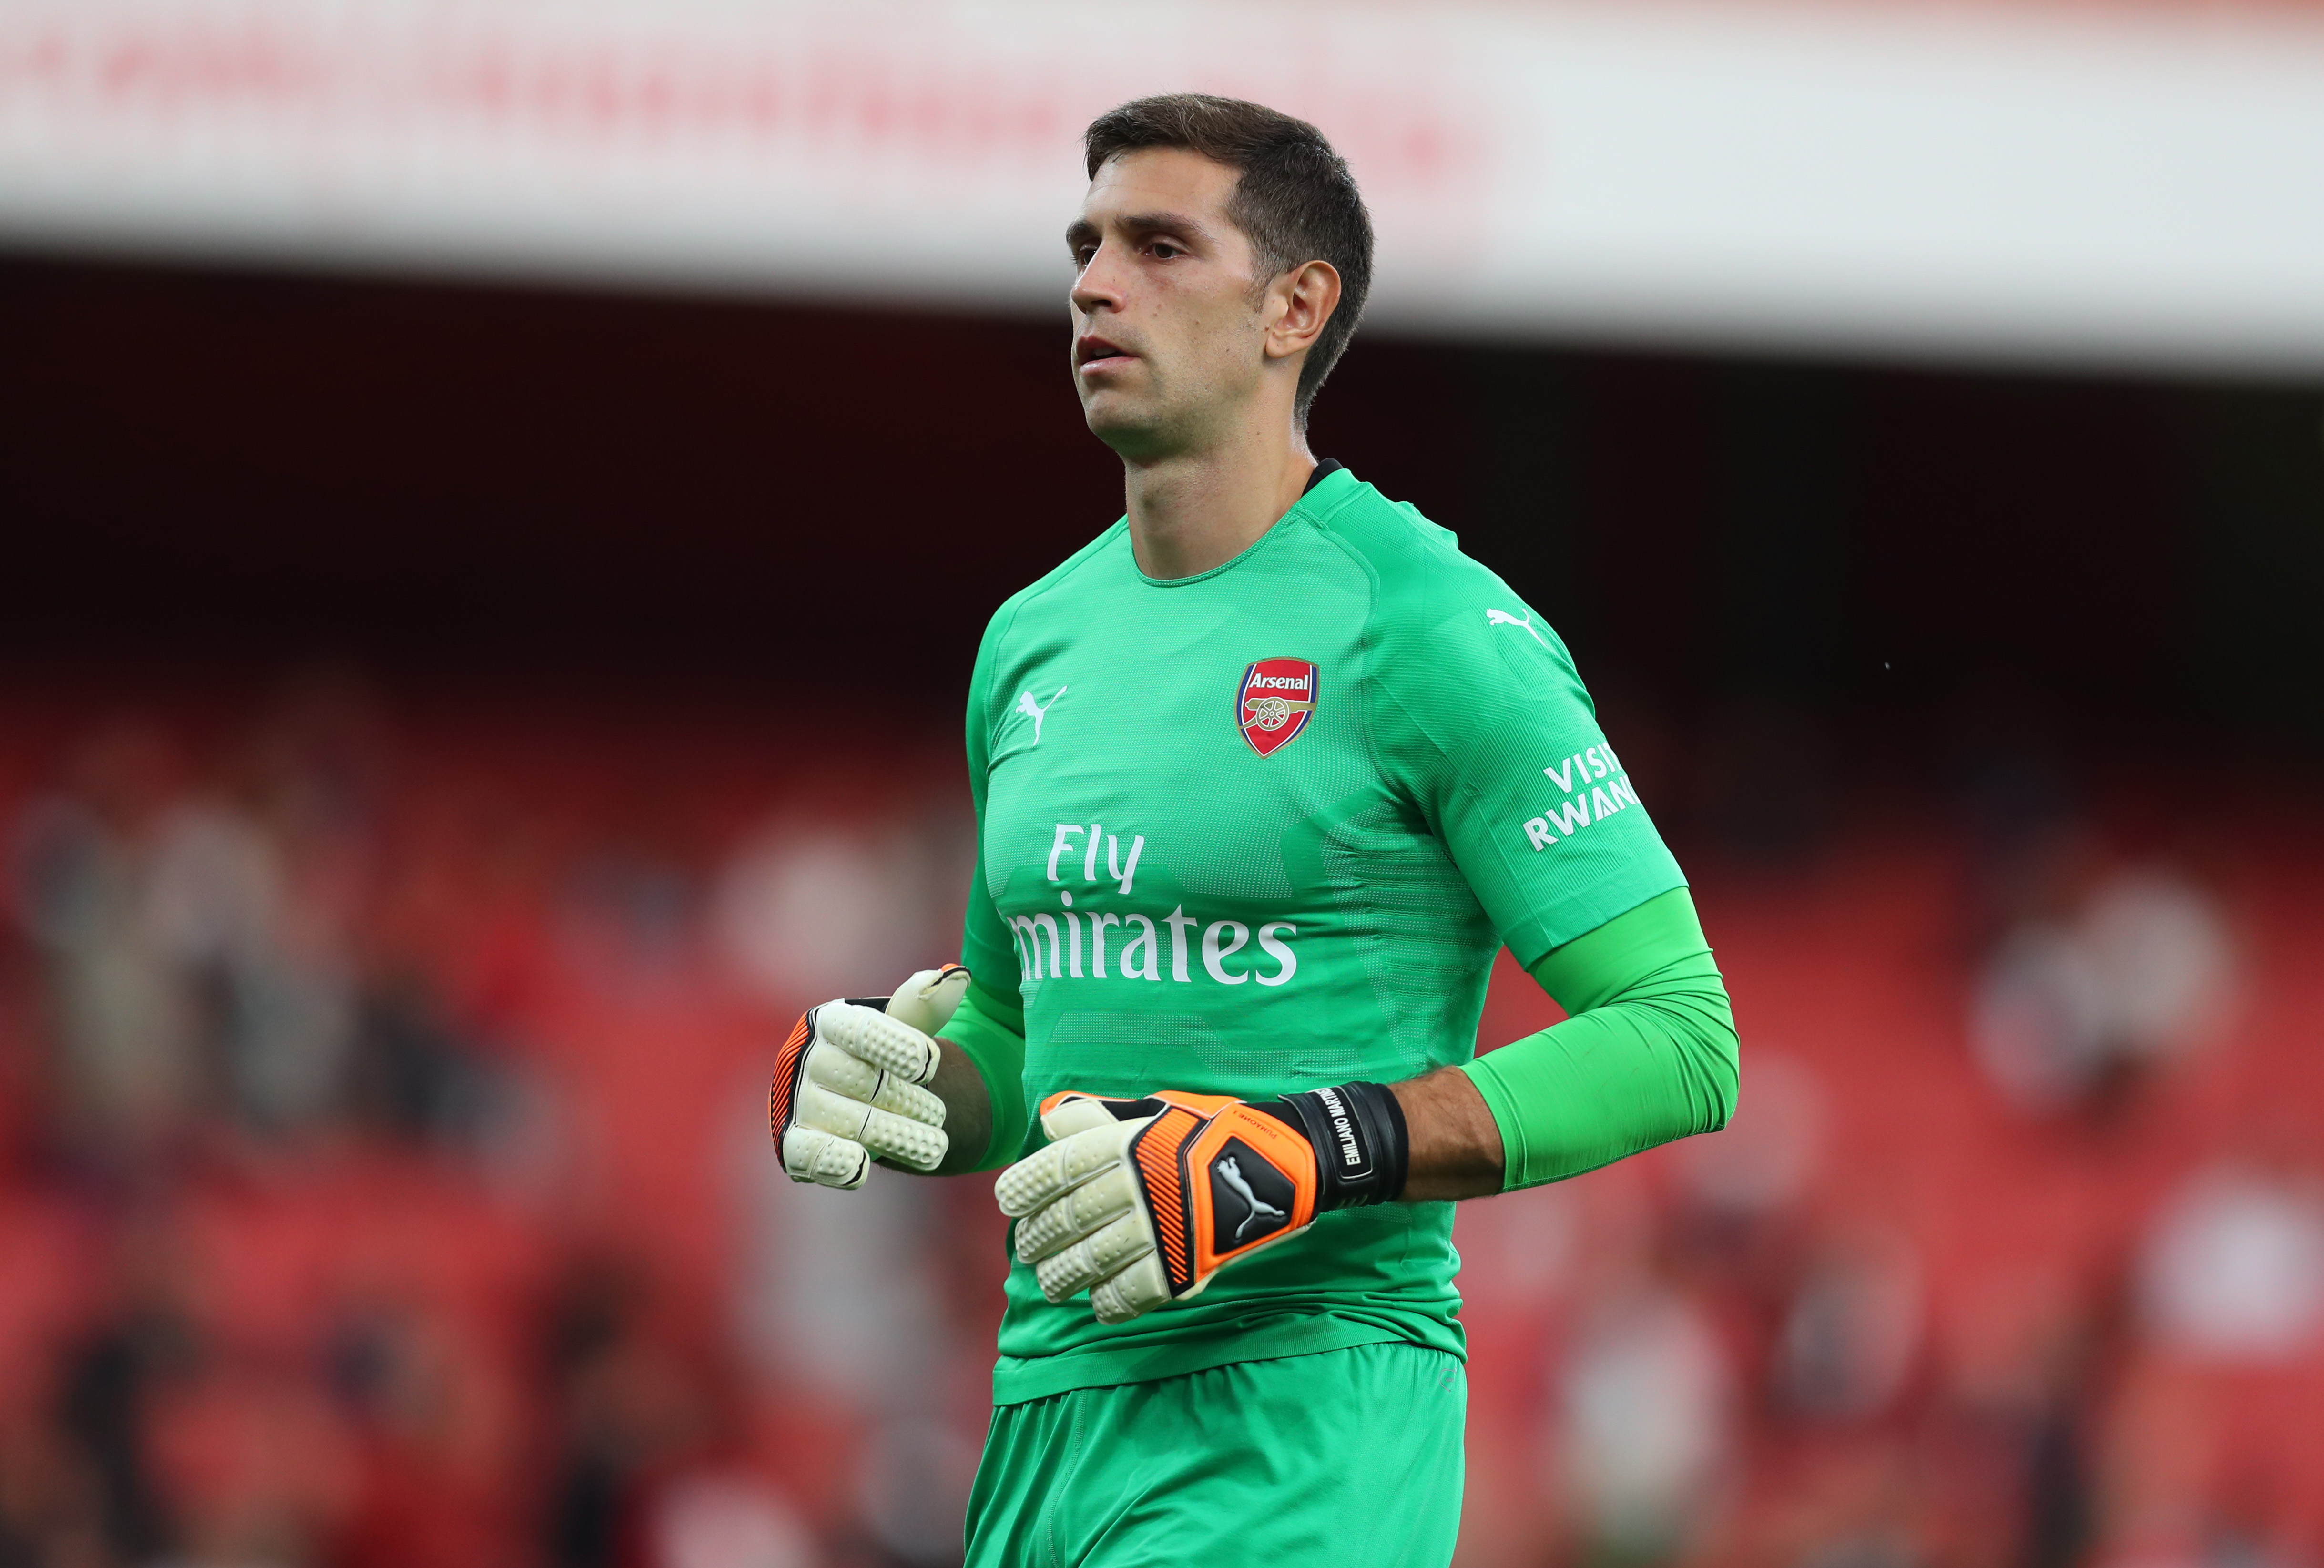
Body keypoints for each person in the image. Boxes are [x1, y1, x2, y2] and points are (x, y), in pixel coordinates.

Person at [769, 93, 1739, 1567]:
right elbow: (1022, 1045)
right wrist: (899, 1083)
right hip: (1047, 1421)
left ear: (1296, 305)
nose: (1095, 283)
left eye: (1160, 245)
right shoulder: (1030, 641)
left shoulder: (1429, 628)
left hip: (1312, 1415)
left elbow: (1681, 1036)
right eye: (1085, 245)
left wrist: (1311, 1144)